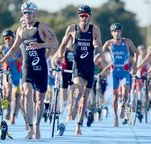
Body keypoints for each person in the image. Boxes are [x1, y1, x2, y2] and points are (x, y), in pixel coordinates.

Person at [0, 2, 58, 139]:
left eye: (29, 12)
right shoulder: (20, 30)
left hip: (40, 68)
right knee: (26, 92)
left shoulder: (42, 27)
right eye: (25, 13)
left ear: (34, 13)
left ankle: (37, 125)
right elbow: (13, 49)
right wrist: (2, 60)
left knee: (40, 100)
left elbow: (54, 42)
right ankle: (30, 127)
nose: (27, 15)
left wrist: (40, 44)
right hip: (27, 67)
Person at [52, 5, 102, 135]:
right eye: (81, 15)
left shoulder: (94, 29)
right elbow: (63, 45)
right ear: (78, 16)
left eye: (86, 15)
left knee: (85, 98)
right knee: (78, 89)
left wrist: (97, 48)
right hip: (77, 66)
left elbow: (99, 45)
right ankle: (73, 108)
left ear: (89, 16)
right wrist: (58, 56)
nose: (83, 17)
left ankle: (79, 125)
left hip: (89, 67)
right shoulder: (72, 29)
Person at [101, 22, 139, 127]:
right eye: (114, 31)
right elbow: (100, 53)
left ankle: (122, 107)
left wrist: (135, 66)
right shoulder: (108, 43)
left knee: (126, 92)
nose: (117, 33)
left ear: (121, 32)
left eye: (118, 31)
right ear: (112, 33)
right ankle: (116, 118)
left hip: (125, 71)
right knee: (115, 95)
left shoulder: (127, 42)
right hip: (114, 72)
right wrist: (103, 65)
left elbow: (136, 52)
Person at [0, 29, 22, 124]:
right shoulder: (2, 48)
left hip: (18, 74)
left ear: (13, 39)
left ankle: (13, 115)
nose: (7, 40)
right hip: (7, 73)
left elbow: (22, 60)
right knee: (8, 92)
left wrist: (15, 57)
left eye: (9, 38)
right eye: (5, 38)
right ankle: (8, 111)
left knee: (17, 96)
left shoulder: (17, 48)